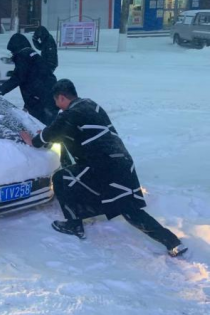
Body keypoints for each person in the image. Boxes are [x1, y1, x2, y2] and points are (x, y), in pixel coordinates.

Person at [20, 79, 188, 258]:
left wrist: (32, 140)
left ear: (61, 97)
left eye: (56, 101)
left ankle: (74, 225)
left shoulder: (69, 114)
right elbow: (72, 132)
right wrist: (51, 134)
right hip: (122, 160)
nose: (57, 106)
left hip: (103, 165)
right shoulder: (91, 105)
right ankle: (172, 242)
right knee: (125, 206)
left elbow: (45, 138)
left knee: (62, 179)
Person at [0, 33, 58, 126]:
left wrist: (0, 90)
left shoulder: (23, 56)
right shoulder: (33, 55)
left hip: (41, 101)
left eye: (12, 51)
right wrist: (28, 106)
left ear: (15, 47)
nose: (12, 54)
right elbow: (34, 79)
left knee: (42, 128)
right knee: (49, 126)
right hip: (51, 95)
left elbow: (18, 77)